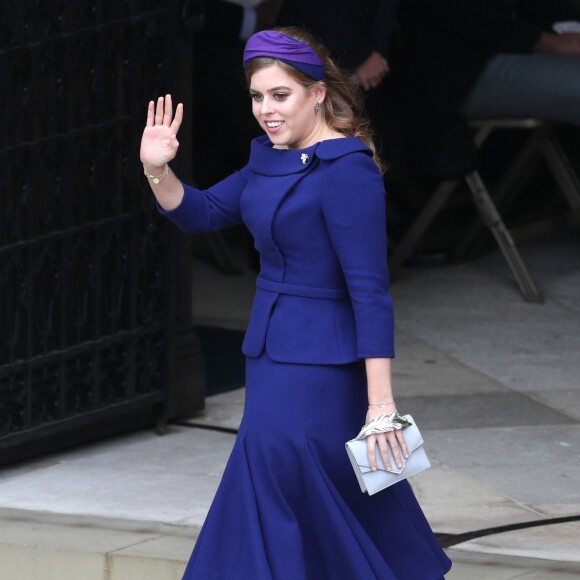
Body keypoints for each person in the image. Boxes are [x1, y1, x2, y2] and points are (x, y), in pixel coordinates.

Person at [140, 27, 451, 579]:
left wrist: (381, 406)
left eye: (280, 96)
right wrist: (157, 168)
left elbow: (371, 294)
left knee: (287, 481)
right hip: (271, 352)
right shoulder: (268, 157)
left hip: (323, 367)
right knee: (304, 489)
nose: (266, 111)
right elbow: (204, 212)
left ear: (317, 92)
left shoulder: (347, 169)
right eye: (257, 97)